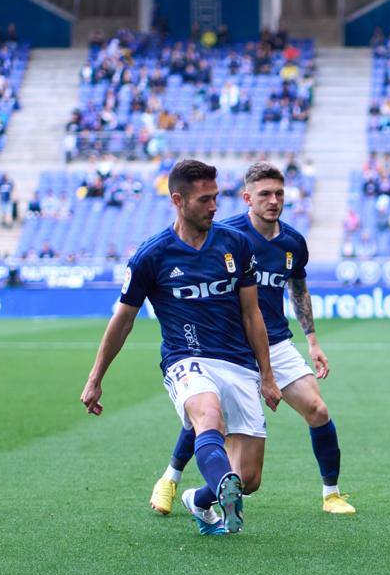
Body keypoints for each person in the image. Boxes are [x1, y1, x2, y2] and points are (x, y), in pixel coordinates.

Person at [80, 159, 283, 536]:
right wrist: (95, 378)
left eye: (216, 197)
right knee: (208, 416)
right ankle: (225, 490)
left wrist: (268, 376)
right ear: (178, 200)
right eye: (205, 199)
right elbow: (122, 321)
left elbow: (252, 314)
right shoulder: (151, 255)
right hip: (185, 359)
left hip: (238, 362)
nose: (214, 206)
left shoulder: (235, 244)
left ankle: (201, 499)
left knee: (250, 478)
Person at [149, 162, 355, 516]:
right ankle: (170, 478)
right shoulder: (225, 234)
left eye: (279, 194)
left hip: (274, 342)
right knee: (209, 419)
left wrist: (313, 341)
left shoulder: (292, 242)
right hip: (228, 345)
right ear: (247, 198)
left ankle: (331, 493)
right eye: (265, 194)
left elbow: (298, 289)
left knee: (317, 409)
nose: (274, 201)